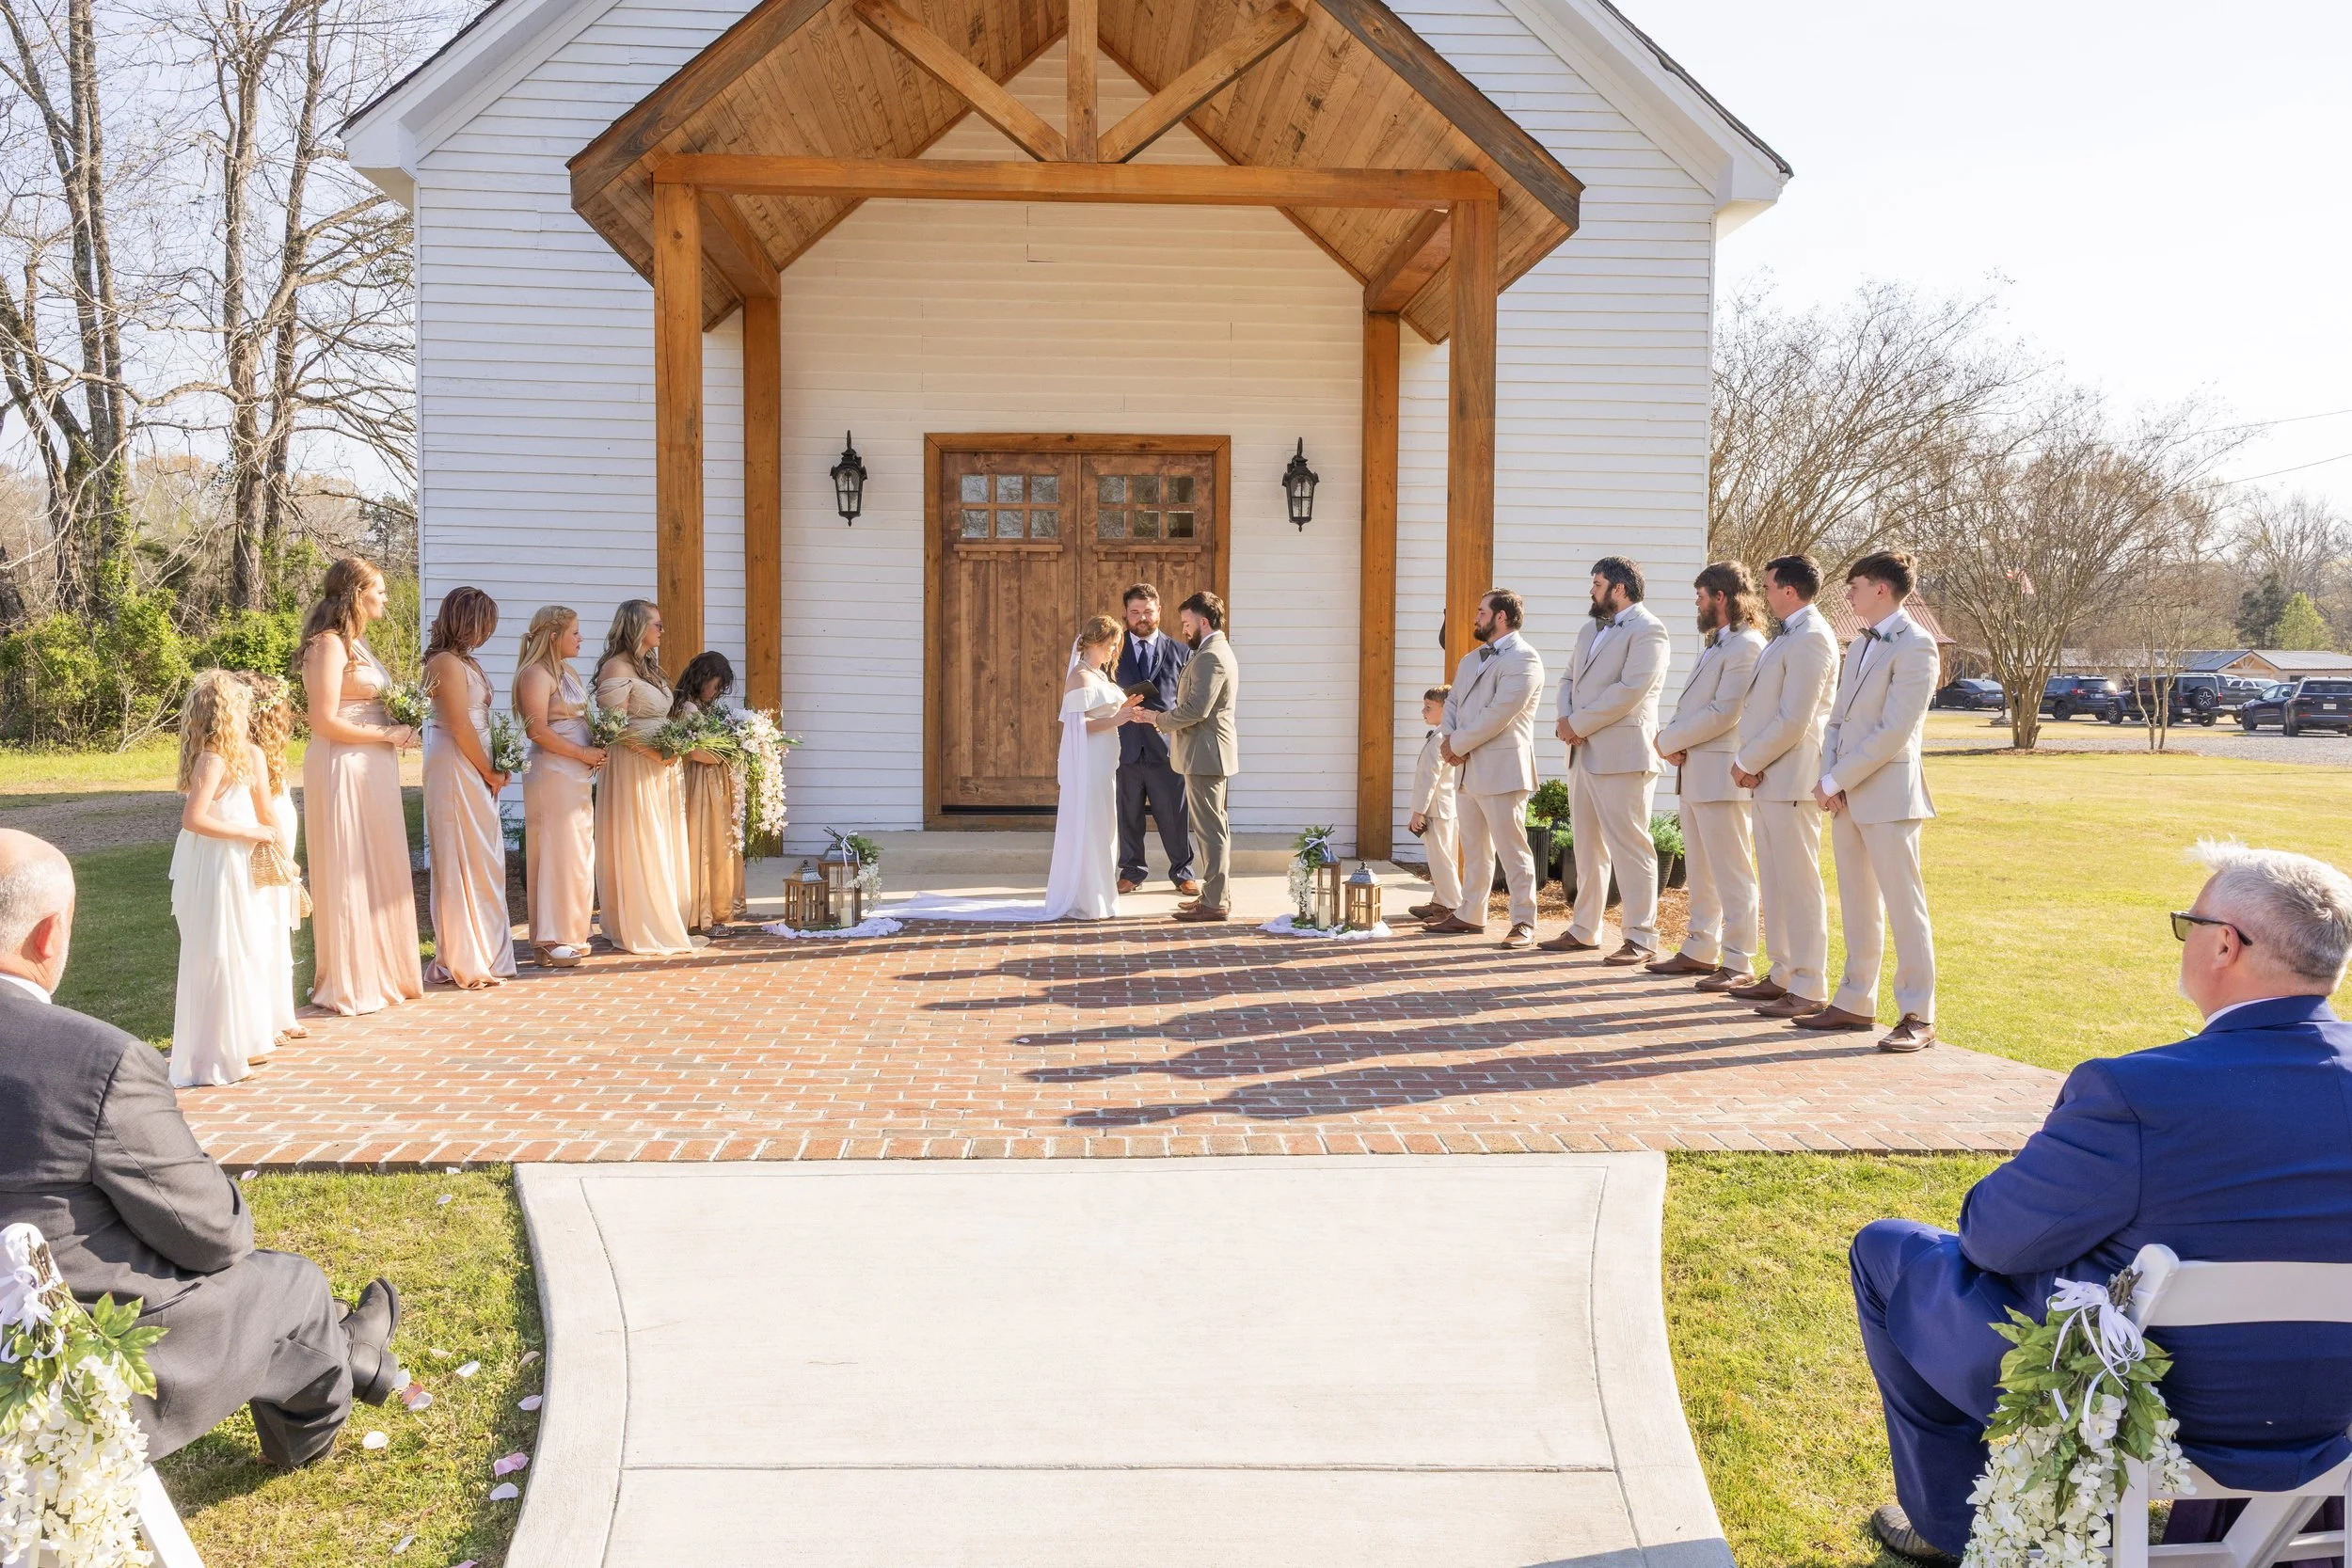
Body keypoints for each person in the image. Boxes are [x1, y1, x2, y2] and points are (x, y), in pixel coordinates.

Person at [1851, 843, 2352, 1565]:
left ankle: (1955, 1523)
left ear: (2224, 943)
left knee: (1888, 1251)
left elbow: (1991, 1239)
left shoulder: (2138, 1093)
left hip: (2154, 1410)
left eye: (2189, 924)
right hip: (2334, 1408)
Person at [0, 830, 409, 1467]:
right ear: (49, 933)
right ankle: (336, 1376)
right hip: (64, 1379)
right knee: (288, 1284)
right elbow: (213, 1232)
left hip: (32, 1318)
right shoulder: (93, 1062)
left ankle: (351, 1341)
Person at [1800, 550, 1939, 1052]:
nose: (1848, 592)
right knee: (1858, 903)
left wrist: (1836, 778)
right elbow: (1835, 720)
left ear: (1881, 588)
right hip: (1847, 794)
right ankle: (1856, 1001)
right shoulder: (1856, 647)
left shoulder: (1917, 646)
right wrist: (1829, 777)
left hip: (1889, 795)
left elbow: (1894, 732)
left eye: (1854, 584)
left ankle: (1918, 1014)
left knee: (1905, 907)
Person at [297, 556, 423, 1016]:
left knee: (379, 861)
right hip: (343, 764)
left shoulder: (360, 647)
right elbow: (323, 720)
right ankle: (352, 977)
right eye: (381, 589)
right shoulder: (328, 645)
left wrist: (401, 725)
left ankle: (385, 970)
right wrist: (385, 734)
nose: (386, 598)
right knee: (349, 862)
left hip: (375, 765)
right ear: (356, 593)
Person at [1726, 554, 1842, 1018]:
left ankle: (1810, 983)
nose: (1764, 595)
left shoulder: (1813, 637)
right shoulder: (1787, 636)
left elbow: (1794, 718)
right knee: (1775, 882)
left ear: (1788, 591)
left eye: (1769, 587)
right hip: (1769, 775)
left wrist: (1746, 760)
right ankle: (1782, 973)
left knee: (1798, 883)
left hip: (1791, 774)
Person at [1543, 558, 1670, 963]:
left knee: (1632, 847)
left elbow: (1630, 690)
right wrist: (1566, 721)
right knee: (1586, 847)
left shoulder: (1650, 630)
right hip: (1581, 752)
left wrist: (1579, 722)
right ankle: (1585, 928)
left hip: (1623, 753)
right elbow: (1566, 679)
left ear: (1619, 588)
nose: (1591, 590)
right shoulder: (1588, 630)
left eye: (1596, 583)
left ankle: (1641, 937)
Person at [1646, 562, 1767, 989]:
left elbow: (1725, 713)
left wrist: (1667, 739)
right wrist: (1677, 744)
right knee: (1701, 871)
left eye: (1700, 597)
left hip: (1723, 774)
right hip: (1696, 770)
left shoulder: (1747, 646)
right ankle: (1700, 949)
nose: (1696, 605)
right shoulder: (1718, 644)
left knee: (1732, 872)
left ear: (1721, 597)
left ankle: (1738, 961)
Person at [168, 671, 281, 1088]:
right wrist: (251, 832)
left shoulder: (238, 755)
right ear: (226, 711)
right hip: (217, 861)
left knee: (242, 945)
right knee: (217, 947)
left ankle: (242, 1038)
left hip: (234, 860)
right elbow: (194, 819)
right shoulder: (213, 758)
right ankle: (212, 1052)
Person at [1426, 590, 1545, 946]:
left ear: (1502, 617)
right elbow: (1454, 704)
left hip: (1503, 767)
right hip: (1466, 768)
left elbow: (1500, 713)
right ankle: (1470, 913)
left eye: (1482, 612)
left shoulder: (1525, 659)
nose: (1476, 617)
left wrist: (1457, 745)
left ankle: (1523, 920)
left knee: (1513, 849)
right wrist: (1449, 739)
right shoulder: (1469, 659)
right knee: (1474, 848)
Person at [421, 586, 516, 989]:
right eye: (483, 624)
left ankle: (488, 950)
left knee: (484, 858)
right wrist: (490, 772)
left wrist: (498, 762)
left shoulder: (466, 661)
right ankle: (466, 955)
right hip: (457, 763)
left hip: (475, 760)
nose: (486, 633)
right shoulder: (443, 662)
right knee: (462, 855)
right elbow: (460, 723)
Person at [1124, 591, 1238, 923]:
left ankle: (1215, 902)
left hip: (1206, 755)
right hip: (1203, 753)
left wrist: (1156, 719)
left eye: (1188, 623)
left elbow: (1196, 710)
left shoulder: (1211, 656)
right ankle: (1215, 895)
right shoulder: (1209, 651)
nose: (1184, 629)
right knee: (1210, 828)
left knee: (1211, 830)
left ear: (1204, 621)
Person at [594, 599, 694, 955]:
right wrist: (655, 753)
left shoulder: (649, 667)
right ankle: (640, 921)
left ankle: (662, 914)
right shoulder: (616, 667)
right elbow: (613, 728)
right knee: (641, 836)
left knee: (662, 837)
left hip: (661, 765)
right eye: (657, 624)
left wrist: (676, 744)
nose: (662, 630)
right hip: (634, 765)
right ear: (637, 627)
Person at [514, 605, 604, 968]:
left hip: (576, 773)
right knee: (554, 850)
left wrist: (597, 745)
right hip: (552, 772)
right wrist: (582, 751)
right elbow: (537, 730)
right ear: (554, 637)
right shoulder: (535, 674)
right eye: (575, 632)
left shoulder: (568, 672)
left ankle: (573, 930)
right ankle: (550, 937)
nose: (581, 638)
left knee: (577, 851)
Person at [1045, 615, 1144, 920]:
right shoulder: (1080, 676)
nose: (1114, 652)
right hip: (1088, 763)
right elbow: (1080, 724)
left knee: (1104, 827)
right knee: (1090, 826)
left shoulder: (1100, 676)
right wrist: (1116, 719)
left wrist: (1124, 709)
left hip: (1104, 764)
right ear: (1094, 644)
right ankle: (1087, 898)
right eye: (1110, 646)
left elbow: (1104, 711)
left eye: (1115, 646)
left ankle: (1102, 895)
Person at [1113, 584, 1199, 897]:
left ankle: (1182, 872)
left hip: (1167, 747)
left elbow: (1189, 700)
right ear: (1125, 613)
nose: (1141, 618)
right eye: (1135, 612)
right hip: (1125, 746)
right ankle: (1132, 872)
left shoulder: (1181, 651)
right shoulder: (1114, 650)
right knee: (1128, 812)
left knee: (1174, 813)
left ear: (1159, 611)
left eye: (1147, 611)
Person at [239, 673, 308, 1044]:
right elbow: (262, 811)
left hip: (279, 840)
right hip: (266, 847)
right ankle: (263, 1018)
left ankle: (283, 1011)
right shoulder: (250, 754)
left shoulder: (268, 755)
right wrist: (283, 853)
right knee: (263, 924)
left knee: (280, 925)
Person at [672, 650, 745, 938]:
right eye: (715, 684)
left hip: (715, 783)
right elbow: (691, 749)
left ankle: (716, 908)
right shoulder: (688, 709)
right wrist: (723, 752)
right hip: (700, 782)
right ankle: (699, 914)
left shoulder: (705, 707)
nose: (717, 692)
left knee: (718, 843)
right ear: (702, 679)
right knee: (703, 842)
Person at [1406, 686, 1460, 922]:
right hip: (1443, 807)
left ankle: (1452, 907)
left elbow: (1430, 779)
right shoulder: (1443, 735)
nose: (1423, 711)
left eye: (1429, 707)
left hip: (1437, 809)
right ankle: (1440, 902)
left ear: (1445, 709)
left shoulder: (1441, 738)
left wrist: (1419, 812)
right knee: (1442, 857)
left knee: (1441, 860)